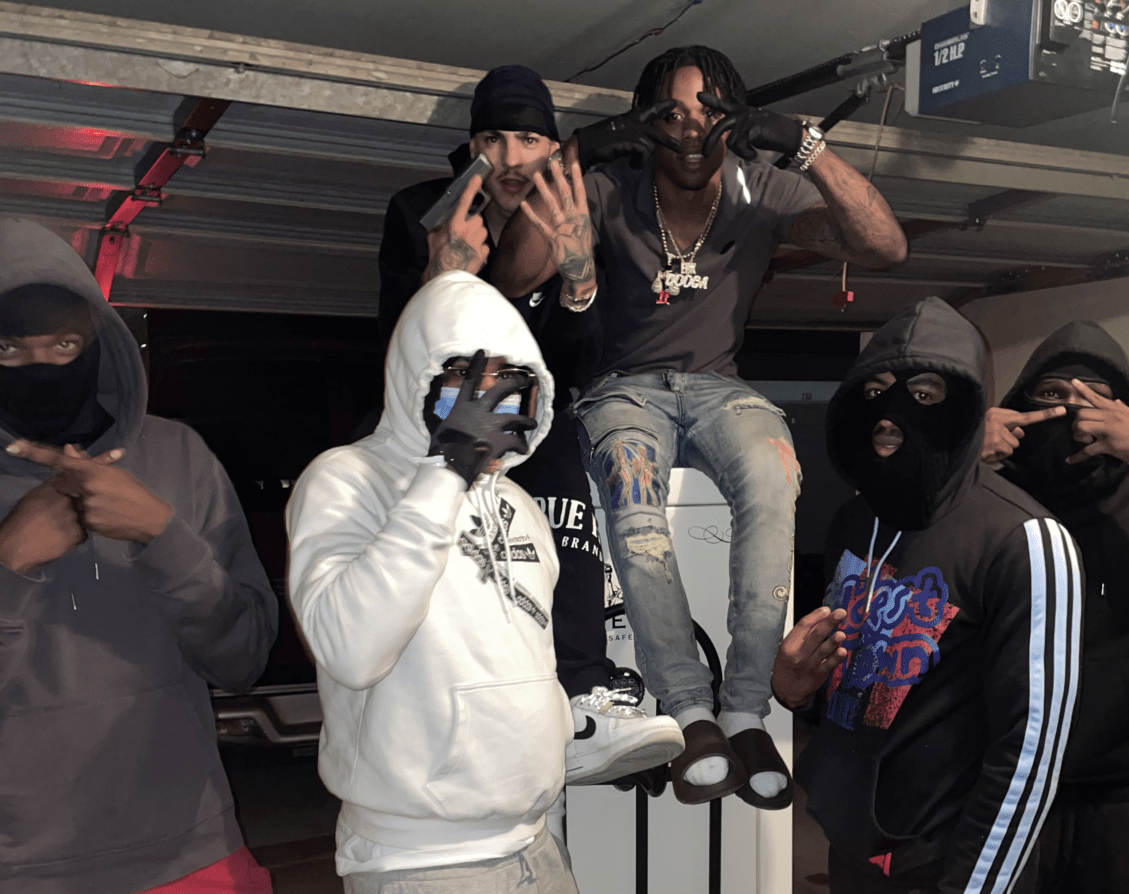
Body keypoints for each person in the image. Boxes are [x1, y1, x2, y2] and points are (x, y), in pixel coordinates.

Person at [490, 45, 908, 807]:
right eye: (671, 113)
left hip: (721, 388)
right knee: (638, 515)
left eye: (711, 112)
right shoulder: (611, 186)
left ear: (737, 121)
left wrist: (808, 146)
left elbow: (885, 244)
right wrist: (579, 153)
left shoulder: (759, 188)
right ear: (646, 122)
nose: (690, 130)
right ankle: (689, 710)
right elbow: (513, 276)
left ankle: (745, 710)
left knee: (774, 482)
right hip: (624, 391)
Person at [377, 64, 684, 786]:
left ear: (552, 147)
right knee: (440, 562)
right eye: (494, 136)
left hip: (535, 415)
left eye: (528, 138)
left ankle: (580, 695)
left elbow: (586, 359)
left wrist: (579, 279)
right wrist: (441, 278)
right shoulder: (423, 208)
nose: (513, 158)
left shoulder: (581, 214)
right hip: (439, 413)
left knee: (564, 492)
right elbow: (397, 341)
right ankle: (443, 707)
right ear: (473, 142)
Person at [287, 270, 589, 893]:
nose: (495, 407)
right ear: (420, 379)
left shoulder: (520, 504)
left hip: (536, 845)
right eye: (473, 383)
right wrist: (445, 470)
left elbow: (532, 661)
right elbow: (351, 649)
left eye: (515, 385)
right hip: (418, 864)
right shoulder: (346, 480)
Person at [0, 218, 278, 893]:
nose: (42, 367)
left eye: (64, 344)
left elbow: (243, 660)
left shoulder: (178, 455)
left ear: (99, 342)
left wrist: (165, 536)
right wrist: (7, 564)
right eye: (9, 350)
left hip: (192, 851)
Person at [771, 296, 1082, 894]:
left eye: (924, 396)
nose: (890, 415)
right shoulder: (853, 522)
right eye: (875, 392)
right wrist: (795, 693)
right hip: (853, 850)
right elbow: (856, 687)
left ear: (963, 408)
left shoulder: (1024, 540)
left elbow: (1030, 756)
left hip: (947, 867)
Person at [982, 320, 1129, 894]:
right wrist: (954, 456)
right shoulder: (985, 496)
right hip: (996, 785)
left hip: (1117, 791)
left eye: (1093, 395)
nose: (1073, 411)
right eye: (1053, 394)